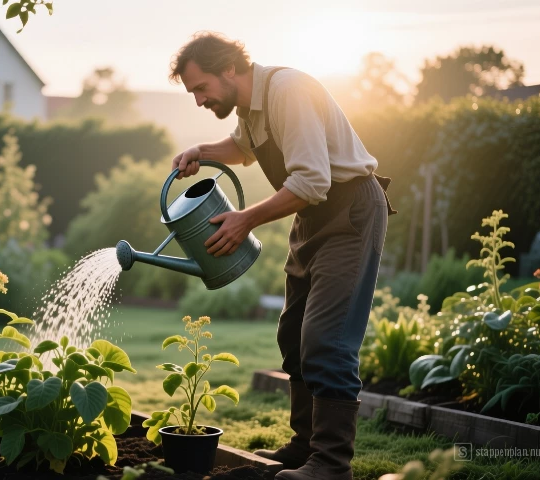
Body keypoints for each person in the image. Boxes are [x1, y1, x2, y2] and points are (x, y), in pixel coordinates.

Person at [167, 32, 396, 480]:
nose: (198, 100)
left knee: (326, 340)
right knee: (293, 334)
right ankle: (305, 445)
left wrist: (244, 220)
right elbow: (244, 148)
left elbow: (312, 182)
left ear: (229, 69)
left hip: (349, 212)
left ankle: (331, 465)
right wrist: (203, 151)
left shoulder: (287, 91)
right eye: (193, 92)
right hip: (312, 218)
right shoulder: (253, 107)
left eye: (201, 87)